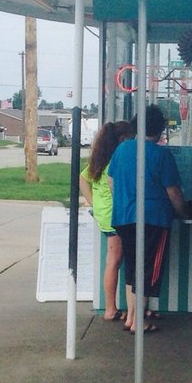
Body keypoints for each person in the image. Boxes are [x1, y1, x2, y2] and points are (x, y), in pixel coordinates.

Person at [108, 104, 190, 333]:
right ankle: (138, 321)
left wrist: (124, 199)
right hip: (153, 219)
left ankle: (130, 317)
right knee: (147, 271)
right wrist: (183, 212)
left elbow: (110, 180)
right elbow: (173, 192)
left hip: (123, 217)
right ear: (160, 129)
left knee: (132, 267)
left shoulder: (122, 149)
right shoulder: (161, 154)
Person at [78, 120, 129, 322]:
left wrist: (93, 202)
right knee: (114, 260)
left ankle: (113, 307)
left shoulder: (101, 159)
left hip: (104, 213)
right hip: (114, 216)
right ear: (122, 139)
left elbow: (82, 178)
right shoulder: (115, 161)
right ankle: (110, 309)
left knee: (113, 260)